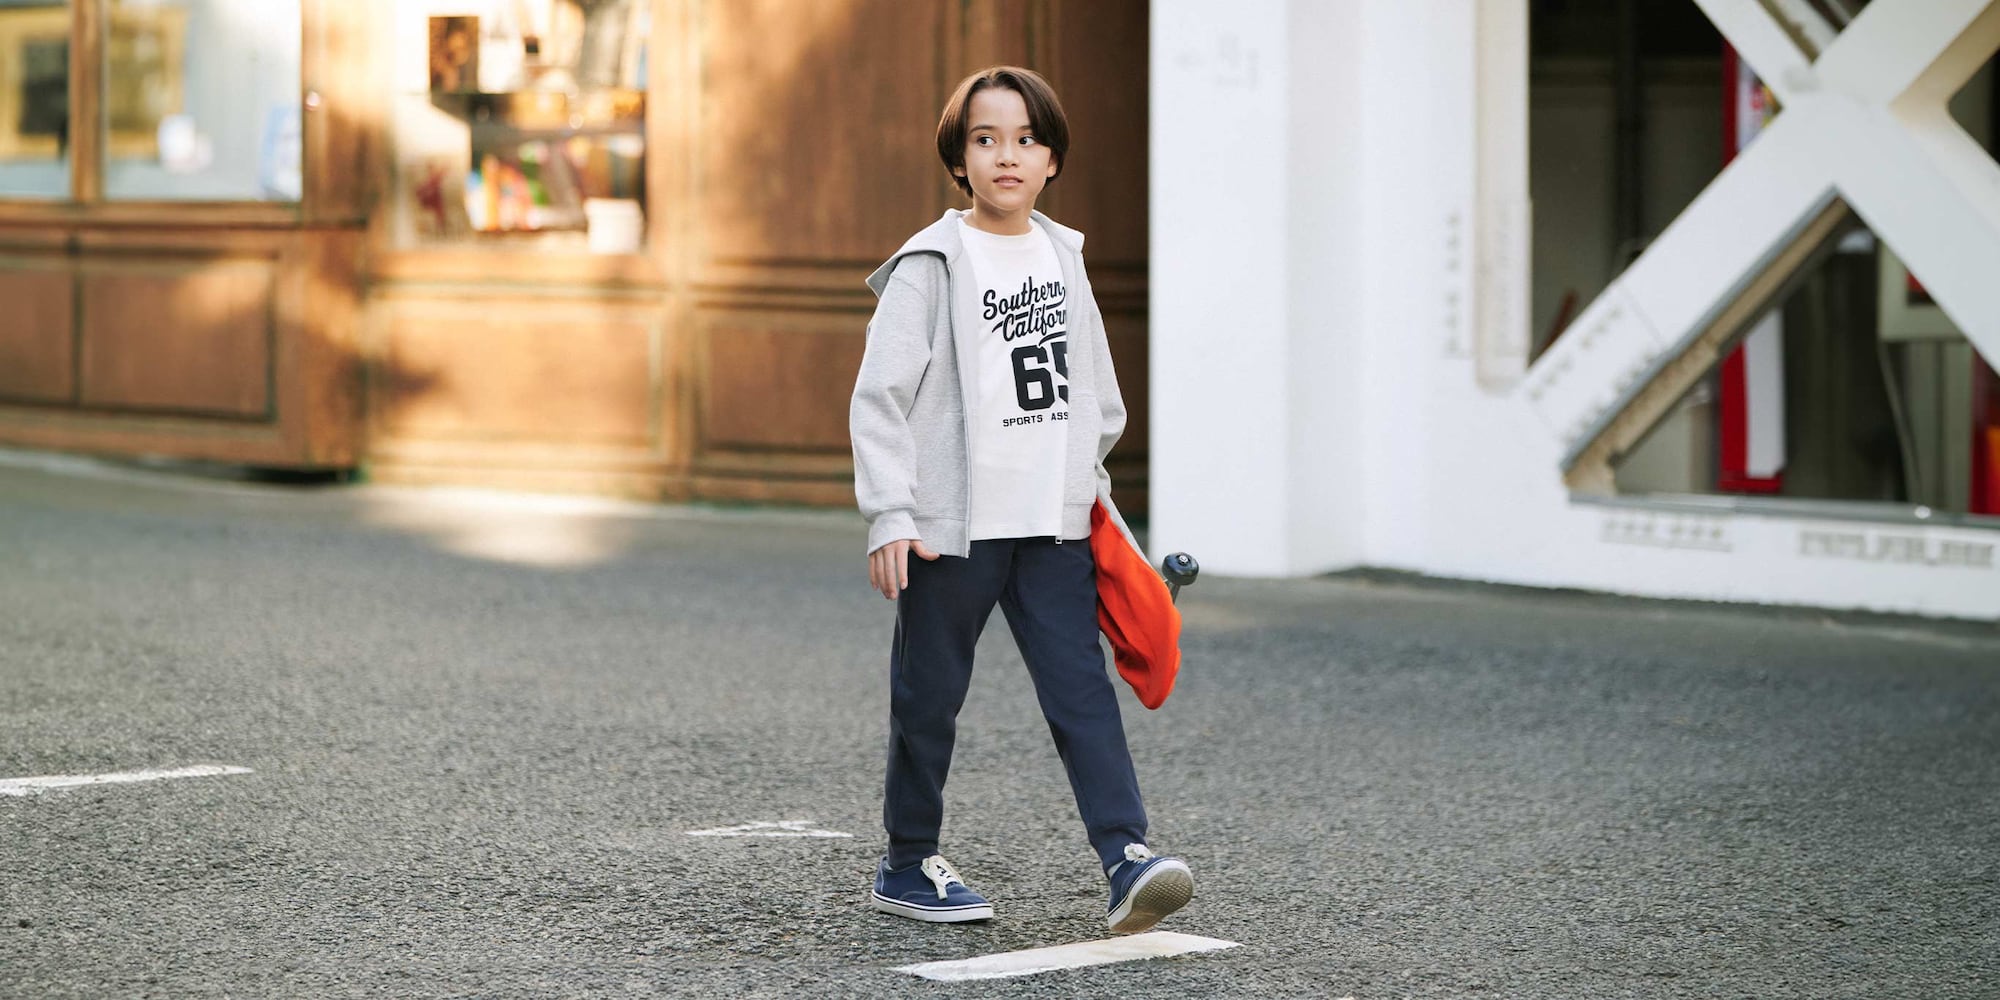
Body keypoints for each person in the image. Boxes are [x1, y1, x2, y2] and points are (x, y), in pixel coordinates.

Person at [849, 66, 1193, 934]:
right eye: (986, 138)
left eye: (1027, 139)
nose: (1008, 155)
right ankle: (906, 861)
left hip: (1051, 526)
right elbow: (879, 398)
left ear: (1052, 161)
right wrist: (894, 512)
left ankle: (1126, 857)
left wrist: (1088, 491)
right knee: (928, 698)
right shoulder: (931, 264)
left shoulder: (1061, 257)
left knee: (1082, 694)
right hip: (951, 532)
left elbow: (1099, 397)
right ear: (959, 160)